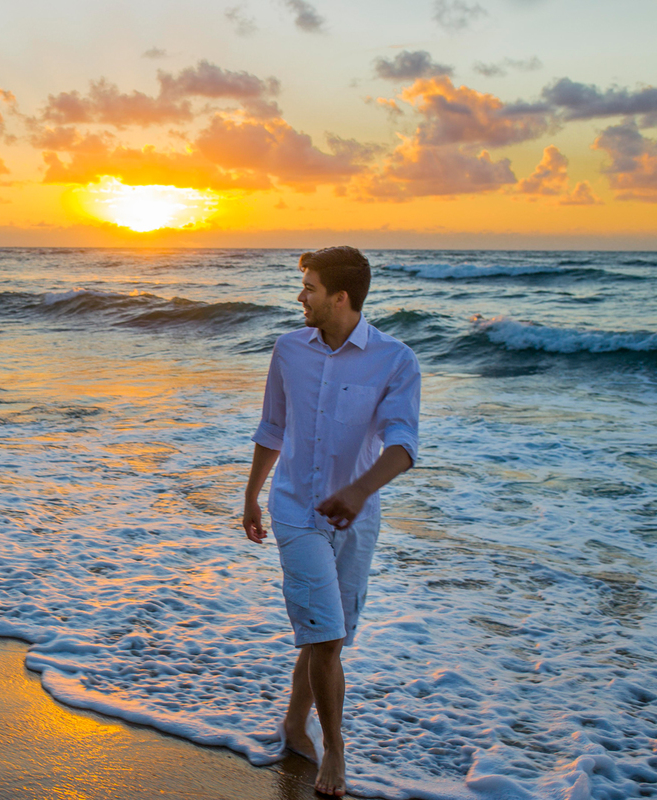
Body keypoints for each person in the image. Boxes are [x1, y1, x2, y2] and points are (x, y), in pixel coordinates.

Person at [242, 246, 420, 796]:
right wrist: (251, 496)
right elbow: (273, 427)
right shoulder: (288, 349)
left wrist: (359, 493)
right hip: (295, 509)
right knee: (326, 631)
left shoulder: (395, 360)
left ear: (340, 298)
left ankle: (294, 723)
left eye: (311, 288)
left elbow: (403, 446)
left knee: (328, 638)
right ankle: (335, 752)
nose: (301, 296)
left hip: (354, 519)